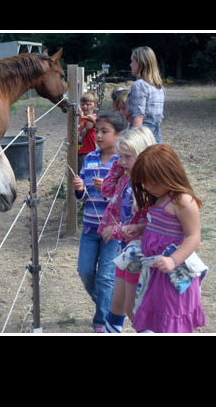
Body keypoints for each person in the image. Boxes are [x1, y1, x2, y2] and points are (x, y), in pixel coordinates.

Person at [128, 144, 205, 333]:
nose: (146, 187)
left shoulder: (182, 202)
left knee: (171, 320)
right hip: (156, 274)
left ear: (168, 174)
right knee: (158, 318)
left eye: (151, 182)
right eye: (143, 182)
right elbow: (160, 225)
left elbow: (193, 236)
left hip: (172, 276)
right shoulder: (158, 198)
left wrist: (173, 260)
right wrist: (141, 228)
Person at [98, 127, 157, 332]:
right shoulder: (127, 176)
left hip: (137, 251)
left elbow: (146, 226)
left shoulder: (147, 186)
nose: (122, 161)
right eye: (119, 156)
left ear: (142, 156)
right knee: (118, 303)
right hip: (125, 249)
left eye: (126, 157)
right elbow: (106, 190)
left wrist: (117, 231)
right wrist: (119, 164)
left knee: (132, 308)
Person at [72, 111, 127, 332]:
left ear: (119, 135)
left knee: (105, 276)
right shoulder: (90, 158)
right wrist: (80, 190)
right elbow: (84, 197)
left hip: (112, 230)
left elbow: (125, 199)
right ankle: (106, 302)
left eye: (105, 132)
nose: (99, 136)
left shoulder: (122, 163)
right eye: (98, 131)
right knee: (84, 271)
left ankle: (101, 319)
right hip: (89, 227)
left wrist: (106, 188)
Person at [127, 46, 166, 143]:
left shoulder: (140, 85)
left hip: (143, 136)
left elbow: (139, 116)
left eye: (132, 61)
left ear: (140, 63)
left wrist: (134, 141)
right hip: (156, 135)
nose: (130, 64)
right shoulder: (159, 87)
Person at [77, 92, 99, 171]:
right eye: (82, 104)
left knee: (84, 171)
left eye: (88, 104)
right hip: (79, 150)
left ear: (95, 106)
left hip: (87, 151)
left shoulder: (92, 117)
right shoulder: (81, 118)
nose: (85, 107)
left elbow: (89, 126)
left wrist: (82, 116)